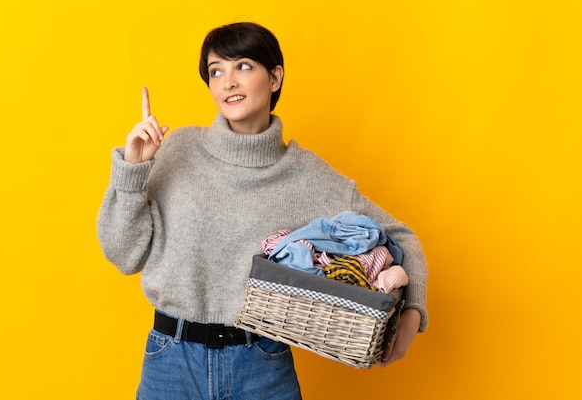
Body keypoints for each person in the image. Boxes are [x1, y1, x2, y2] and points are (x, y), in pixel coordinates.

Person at [97, 22, 428, 400]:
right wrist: (132, 172)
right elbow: (124, 256)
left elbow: (401, 236)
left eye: (243, 66)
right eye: (216, 71)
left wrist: (411, 313)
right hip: (172, 361)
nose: (227, 82)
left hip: (262, 365)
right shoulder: (177, 150)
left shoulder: (307, 174)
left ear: (275, 77)